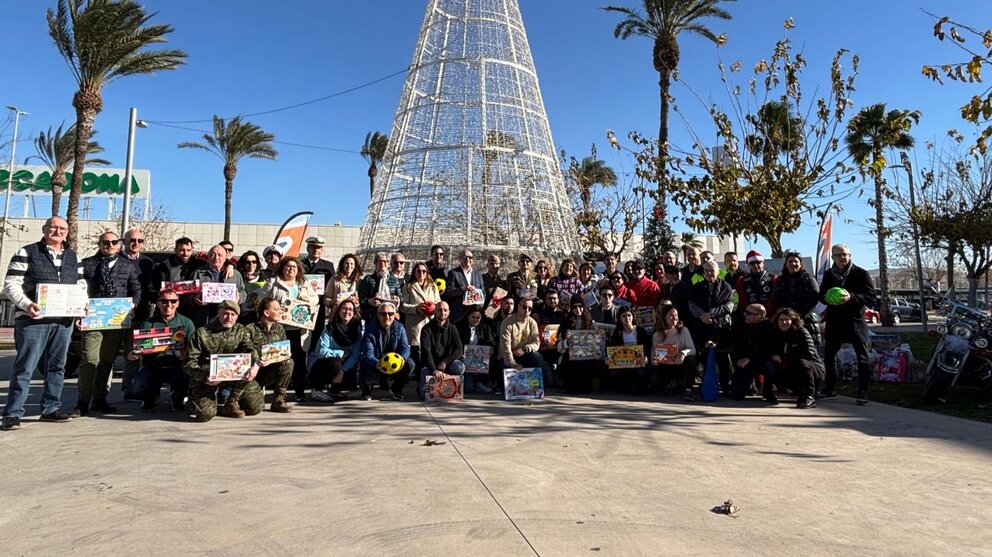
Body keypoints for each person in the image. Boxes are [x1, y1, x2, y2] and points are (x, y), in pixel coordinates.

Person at [1, 216, 85, 430]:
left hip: (63, 321)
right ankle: (12, 413)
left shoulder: (73, 256)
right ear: (44, 229)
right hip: (33, 321)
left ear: (67, 232)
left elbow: (81, 285)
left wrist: (82, 306)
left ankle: (51, 408)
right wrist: (27, 305)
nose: (58, 231)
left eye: (62, 228)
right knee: (25, 367)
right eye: (53, 227)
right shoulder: (26, 252)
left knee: (58, 366)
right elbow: (11, 284)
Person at [76, 230, 141, 416]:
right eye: (106, 242)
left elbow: (135, 289)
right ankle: (82, 401)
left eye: (113, 242)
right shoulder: (87, 264)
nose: (110, 245)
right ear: (99, 244)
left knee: (106, 361)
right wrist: (80, 310)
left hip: (116, 320)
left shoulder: (127, 266)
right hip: (93, 319)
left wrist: (133, 305)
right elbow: (78, 288)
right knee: (89, 359)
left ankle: (99, 399)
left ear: (119, 245)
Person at [183, 301, 262, 422]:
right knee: (205, 415)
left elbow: (251, 350)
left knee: (255, 408)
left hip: (234, 377)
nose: (229, 318)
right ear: (218, 313)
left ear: (237, 316)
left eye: (233, 314)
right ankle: (195, 401)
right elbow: (188, 363)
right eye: (226, 313)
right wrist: (205, 376)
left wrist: (255, 365)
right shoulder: (202, 333)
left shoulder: (241, 331)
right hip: (207, 377)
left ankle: (231, 403)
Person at [819, 244, 876, 405]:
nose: (842, 257)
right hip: (835, 322)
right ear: (833, 257)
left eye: (845, 254)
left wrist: (850, 297)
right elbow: (822, 295)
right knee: (829, 356)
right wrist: (829, 298)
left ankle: (863, 393)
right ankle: (830, 389)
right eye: (838, 255)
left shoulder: (861, 274)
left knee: (863, 358)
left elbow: (871, 297)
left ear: (850, 256)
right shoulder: (829, 274)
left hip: (855, 322)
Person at [255, 257, 318, 402]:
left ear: (298, 270)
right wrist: (275, 307)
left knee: (299, 361)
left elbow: (316, 300)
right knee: (276, 359)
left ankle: (299, 392)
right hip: (279, 329)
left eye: (294, 267)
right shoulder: (273, 283)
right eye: (288, 266)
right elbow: (260, 301)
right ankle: (275, 393)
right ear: (282, 268)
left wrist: (307, 298)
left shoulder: (303, 284)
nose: (291, 269)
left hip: (299, 330)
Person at [127, 288, 195, 413]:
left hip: (177, 365)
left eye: (173, 301)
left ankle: (177, 397)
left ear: (178, 303)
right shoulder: (147, 324)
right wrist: (134, 354)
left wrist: (187, 354)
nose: (169, 305)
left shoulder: (187, 323)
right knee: (136, 387)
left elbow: (194, 347)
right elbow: (137, 348)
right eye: (164, 301)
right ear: (158, 303)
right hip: (153, 366)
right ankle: (152, 397)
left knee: (190, 377)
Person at [690, 261, 734, 395]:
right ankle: (705, 386)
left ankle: (725, 386)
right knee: (703, 358)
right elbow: (692, 305)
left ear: (717, 271)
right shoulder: (696, 287)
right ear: (703, 273)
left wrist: (712, 314)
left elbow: (729, 306)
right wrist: (702, 316)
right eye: (707, 271)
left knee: (722, 360)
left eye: (712, 270)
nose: (710, 273)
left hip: (721, 328)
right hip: (702, 327)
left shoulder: (726, 286)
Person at [244, 298, 294, 413]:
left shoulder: (279, 328)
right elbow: (247, 350)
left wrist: (284, 355)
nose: (280, 311)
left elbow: (282, 349)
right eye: (276, 309)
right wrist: (257, 362)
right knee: (254, 408)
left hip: (269, 370)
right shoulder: (250, 329)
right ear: (266, 313)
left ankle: (279, 399)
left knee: (289, 362)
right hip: (252, 373)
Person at [308, 299, 363, 401]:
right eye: (344, 308)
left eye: (350, 309)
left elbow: (356, 354)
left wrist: (342, 370)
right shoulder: (330, 328)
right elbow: (320, 351)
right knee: (335, 362)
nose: (347, 312)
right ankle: (317, 390)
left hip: (342, 364)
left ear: (354, 313)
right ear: (338, 311)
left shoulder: (356, 330)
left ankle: (334, 391)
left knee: (351, 363)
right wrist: (340, 353)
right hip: (320, 364)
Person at [770, 308, 825, 409]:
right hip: (790, 368)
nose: (783, 322)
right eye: (781, 319)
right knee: (770, 366)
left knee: (802, 363)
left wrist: (783, 358)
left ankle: (809, 396)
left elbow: (808, 353)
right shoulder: (775, 334)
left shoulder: (802, 332)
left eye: (787, 319)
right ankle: (796, 390)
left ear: (793, 320)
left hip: (813, 368)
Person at [359, 301, 413, 401]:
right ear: (378, 315)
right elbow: (368, 352)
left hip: (394, 361)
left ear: (394, 315)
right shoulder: (370, 329)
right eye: (383, 314)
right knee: (366, 362)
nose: (387, 317)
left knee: (409, 363)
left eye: (390, 314)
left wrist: (402, 359)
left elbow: (405, 348)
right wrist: (377, 363)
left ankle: (397, 388)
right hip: (377, 360)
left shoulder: (400, 327)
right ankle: (367, 388)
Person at [188, 245, 247, 326]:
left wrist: (239, 298)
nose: (216, 257)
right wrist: (195, 300)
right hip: (204, 319)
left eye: (220, 255)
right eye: (213, 254)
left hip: (227, 320)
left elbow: (243, 291)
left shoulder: (235, 274)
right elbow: (187, 295)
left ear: (225, 258)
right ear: (208, 257)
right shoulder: (198, 273)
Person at [555, 295, 604, 394]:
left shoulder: (590, 322)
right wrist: (567, 341)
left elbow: (597, 343)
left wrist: (598, 335)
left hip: (586, 359)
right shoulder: (565, 323)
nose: (578, 310)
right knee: (571, 389)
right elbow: (559, 348)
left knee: (585, 387)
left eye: (580, 306)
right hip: (570, 359)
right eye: (575, 307)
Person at [418, 301, 468, 395]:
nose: (442, 312)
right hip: (431, 365)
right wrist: (434, 370)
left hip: (447, 364)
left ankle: (451, 387)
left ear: (449, 312)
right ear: (435, 311)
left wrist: (445, 362)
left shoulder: (453, 328)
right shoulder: (426, 329)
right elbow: (426, 351)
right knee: (423, 395)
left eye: (445, 310)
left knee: (459, 367)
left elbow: (459, 349)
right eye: (439, 310)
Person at [649, 304, 697, 400]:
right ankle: (667, 385)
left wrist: (683, 353)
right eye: (671, 315)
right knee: (654, 377)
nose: (674, 317)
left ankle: (688, 390)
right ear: (664, 317)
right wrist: (654, 360)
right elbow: (653, 354)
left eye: (676, 315)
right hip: (665, 367)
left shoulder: (683, 330)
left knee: (691, 360)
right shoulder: (657, 334)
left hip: (679, 365)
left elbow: (692, 349)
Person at [399, 261, 441, 370]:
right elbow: (402, 306)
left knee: (428, 349)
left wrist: (433, 308)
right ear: (414, 272)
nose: (421, 273)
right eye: (419, 271)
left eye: (424, 271)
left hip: (429, 322)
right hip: (415, 324)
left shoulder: (433, 286)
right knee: (415, 351)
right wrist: (416, 308)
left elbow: (438, 302)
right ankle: (417, 374)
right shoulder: (408, 287)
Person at [773, 251, 821, 347]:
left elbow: (813, 300)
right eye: (790, 261)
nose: (793, 264)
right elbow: (776, 299)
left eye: (796, 261)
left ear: (800, 264)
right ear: (786, 264)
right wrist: (786, 316)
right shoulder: (779, 281)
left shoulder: (809, 279)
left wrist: (799, 316)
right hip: (785, 322)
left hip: (806, 321)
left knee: (809, 353)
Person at [730, 303, 775, 402]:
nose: (745, 315)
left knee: (770, 366)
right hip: (746, 362)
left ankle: (768, 392)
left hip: (762, 360)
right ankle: (750, 387)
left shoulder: (769, 328)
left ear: (759, 316)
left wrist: (750, 358)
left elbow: (767, 349)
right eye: (745, 312)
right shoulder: (741, 326)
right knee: (736, 394)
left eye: (748, 313)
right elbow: (736, 345)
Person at [153, 237, 206, 317]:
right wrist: (159, 293)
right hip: (169, 308)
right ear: (175, 250)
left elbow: (218, 260)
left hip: (191, 309)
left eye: (188, 250)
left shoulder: (198, 263)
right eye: (182, 250)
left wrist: (230, 264)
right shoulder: (163, 266)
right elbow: (152, 287)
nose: (185, 253)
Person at [497, 297, 544, 385]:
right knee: (506, 386)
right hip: (508, 357)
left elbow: (536, 343)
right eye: (524, 307)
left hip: (525, 354)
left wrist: (525, 348)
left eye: (530, 308)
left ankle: (535, 385)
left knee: (537, 357)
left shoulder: (532, 323)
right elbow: (505, 346)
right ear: (518, 306)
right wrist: (512, 363)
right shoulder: (507, 323)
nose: (527, 310)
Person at [606, 306, 652, 393]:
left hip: (638, 363)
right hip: (623, 364)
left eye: (629, 315)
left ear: (633, 316)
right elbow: (613, 350)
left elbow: (647, 347)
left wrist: (646, 358)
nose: (627, 318)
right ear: (619, 318)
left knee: (641, 373)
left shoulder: (640, 331)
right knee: (614, 373)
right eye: (624, 316)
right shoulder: (617, 333)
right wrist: (609, 359)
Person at [302, 236, 336, 341]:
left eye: (318, 248)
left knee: (318, 333)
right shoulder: (300, 264)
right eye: (313, 247)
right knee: (303, 335)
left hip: (320, 305)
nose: (316, 250)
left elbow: (332, 285)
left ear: (322, 250)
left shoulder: (328, 266)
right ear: (308, 248)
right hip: (303, 303)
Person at [457, 306, 497, 392]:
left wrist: (491, 349)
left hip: (480, 361)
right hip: (463, 360)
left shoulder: (484, 327)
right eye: (473, 317)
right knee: (468, 387)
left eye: (478, 318)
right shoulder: (458, 326)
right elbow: (456, 345)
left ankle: (481, 382)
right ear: (468, 316)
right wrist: (460, 355)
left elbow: (490, 342)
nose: (475, 320)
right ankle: (474, 384)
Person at [358, 251, 401, 324]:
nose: (382, 263)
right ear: (375, 263)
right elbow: (360, 298)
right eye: (379, 261)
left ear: (388, 263)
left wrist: (397, 299)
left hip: (390, 316)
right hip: (372, 316)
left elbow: (401, 297)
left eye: (384, 261)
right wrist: (370, 301)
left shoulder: (394, 280)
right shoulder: (368, 279)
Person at [443, 248, 485, 323]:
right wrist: (463, 289)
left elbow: (483, 292)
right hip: (459, 314)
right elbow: (449, 292)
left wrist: (479, 298)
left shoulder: (478, 274)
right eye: (465, 257)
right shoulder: (453, 273)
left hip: (474, 314)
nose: (468, 259)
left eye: (470, 257)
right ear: (460, 259)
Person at [736, 250, 777, 317]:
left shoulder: (773, 278)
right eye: (752, 263)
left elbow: (774, 299)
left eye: (758, 262)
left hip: (768, 317)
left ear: (763, 263)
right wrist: (750, 314)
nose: (755, 265)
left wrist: (763, 314)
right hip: (749, 317)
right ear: (748, 265)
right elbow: (742, 301)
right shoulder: (742, 280)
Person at [236, 250, 266, 323]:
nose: (251, 264)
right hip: (240, 316)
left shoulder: (264, 277)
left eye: (254, 261)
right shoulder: (238, 277)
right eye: (247, 262)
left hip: (258, 317)